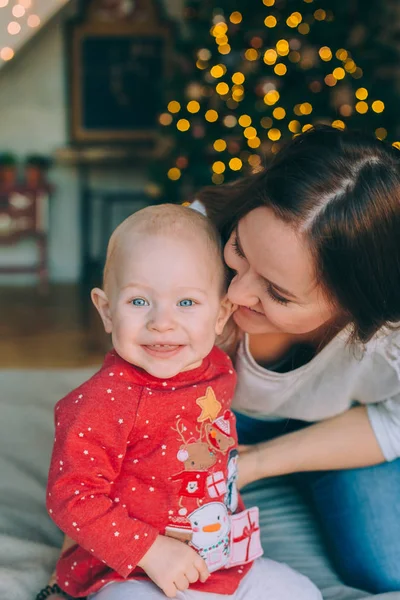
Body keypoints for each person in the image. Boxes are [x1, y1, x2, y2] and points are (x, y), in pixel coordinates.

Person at [44, 204, 321, 600]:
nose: (162, 322)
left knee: (303, 593)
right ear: (106, 311)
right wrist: (149, 550)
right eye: (139, 302)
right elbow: (70, 497)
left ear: (222, 314)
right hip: (131, 571)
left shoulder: (217, 369)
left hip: (219, 562)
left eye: (187, 303)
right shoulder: (101, 403)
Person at [192, 125, 400, 595]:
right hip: (214, 417)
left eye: (278, 293)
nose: (237, 291)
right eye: (240, 251)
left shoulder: (391, 325)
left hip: (342, 424)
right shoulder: (189, 234)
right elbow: (121, 397)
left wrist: (263, 462)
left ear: (352, 307)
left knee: (387, 570)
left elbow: (393, 422)